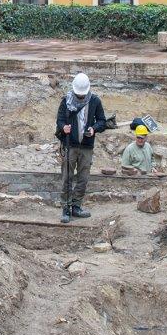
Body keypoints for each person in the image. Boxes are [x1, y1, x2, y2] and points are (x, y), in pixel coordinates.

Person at [55, 72, 106, 223]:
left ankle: (76, 206)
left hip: (86, 146)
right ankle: (66, 208)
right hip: (70, 145)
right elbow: (59, 120)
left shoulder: (95, 101)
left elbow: (102, 121)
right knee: (67, 177)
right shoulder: (66, 101)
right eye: (79, 95)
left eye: (82, 95)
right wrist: (64, 127)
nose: (81, 97)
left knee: (83, 178)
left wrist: (94, 129)